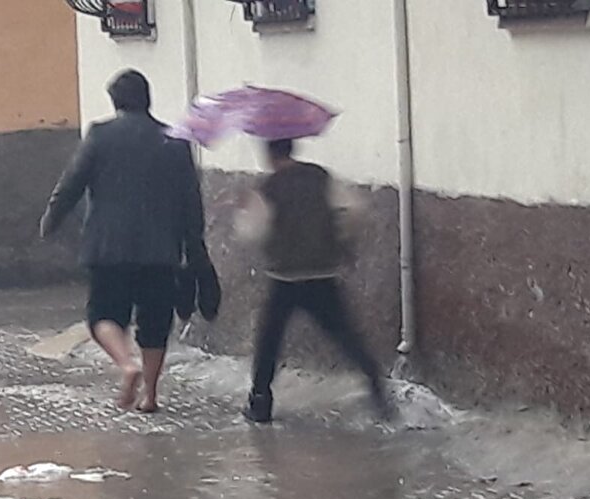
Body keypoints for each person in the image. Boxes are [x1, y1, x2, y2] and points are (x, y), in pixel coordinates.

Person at [40, 70, 207, 413]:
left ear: (116, 102)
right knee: (155, 321)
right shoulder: (174, 141)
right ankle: (151, 396)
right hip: (161, 248)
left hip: (108, 246)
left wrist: (50, 219)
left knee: (102, 313)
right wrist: (195, 249)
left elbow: (72, 182)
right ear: (147, 100)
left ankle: (125, 364)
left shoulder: (100, 136)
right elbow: (191, 200)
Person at [241, 138, 393, 424]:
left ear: (270, 154)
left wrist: (250, 213)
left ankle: (260, 401)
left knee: (268, 340)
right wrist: (340, 240)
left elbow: (251, 231)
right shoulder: (320, 177)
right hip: (322, 274)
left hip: (283, 277)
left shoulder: (269, 188)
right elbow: (354, 210)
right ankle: (377, 388)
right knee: (346, 334)